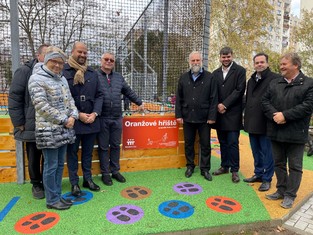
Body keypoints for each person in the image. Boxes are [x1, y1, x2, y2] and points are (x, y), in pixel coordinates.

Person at [28, 46, 78, 210]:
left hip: (63, 129)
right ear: (46, 60)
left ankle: (57, 196)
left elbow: (70, 99)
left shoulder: (62, 78)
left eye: (60, 63)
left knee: (58, 165)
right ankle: (51, 199)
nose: (57, 65)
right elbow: (41, 106)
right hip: (48, 131)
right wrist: (65, 119)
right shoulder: (36, 79)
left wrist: (73, 115)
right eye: (53, 61)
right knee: (50, 165)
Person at [261, 52, 313, 209]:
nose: (281, 66)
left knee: (295, 167)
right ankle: (281, 190)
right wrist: (275, 115)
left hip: (296, 133)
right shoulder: (275, 82)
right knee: (279, 164)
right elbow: (264, 101)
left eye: (284, 64)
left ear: (295, 65)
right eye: (281, 64)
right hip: (276, 131)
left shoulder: (309, 83)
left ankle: (290, 195)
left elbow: (308, 106)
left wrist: (285, 115)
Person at [8, 44, 49, 199]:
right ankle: (36, 184)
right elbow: (14, 98)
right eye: (46, 54)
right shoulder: (24, 71)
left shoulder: (52, 73)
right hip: (31, 124)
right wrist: (19, 122)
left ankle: (46, 182)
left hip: (48, 124)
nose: (49, 58)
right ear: (38, 56)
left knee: (48, 155)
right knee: (33, 155)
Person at [63, 42, 104, 196]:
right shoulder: (64, 71)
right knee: (72, 153)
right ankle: (74, 183)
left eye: (85, 53)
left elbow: (99, 95)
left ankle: (88, 179)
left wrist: (95, 113)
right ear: (72, 52)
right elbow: (64, 98)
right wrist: (77, 114)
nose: (82, 55)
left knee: (87, 153)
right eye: (80, 52)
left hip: (91, 121)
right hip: (73, 121)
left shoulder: (92, 73)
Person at [97, 52, 144, 186]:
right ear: (102, 61)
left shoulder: (118, 77)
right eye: (106, 59)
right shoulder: (95, 76)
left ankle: (115, 171)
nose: (109, 61)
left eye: (111, 60)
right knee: (103, 147)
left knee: (116, 146)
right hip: (102, 118)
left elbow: (128, 91)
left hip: (117, 117)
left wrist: (139, 102)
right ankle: (105, 173)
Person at [175, 51, 218, 181]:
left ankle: (205, 169)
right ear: (189, 62)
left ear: (202, 61)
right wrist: (179, 115)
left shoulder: (210, 77)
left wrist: (212, 116)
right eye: (193, 60)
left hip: (205, 118)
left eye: (197, 60)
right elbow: (179, 98)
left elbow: (214, 98)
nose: (195, 63)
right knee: (189, 143)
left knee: (205, 144)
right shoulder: (183, 78)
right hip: (188, 117)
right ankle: (190, 166)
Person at [243, 53, 280, 191]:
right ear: (254, 64)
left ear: (267, 63)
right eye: (257, 62)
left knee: (267, 153)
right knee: (256, 151)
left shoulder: (275, 79)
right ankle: (258, 173)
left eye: (262, 62)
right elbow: (249, 100)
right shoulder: (251, 80)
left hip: (266, 123)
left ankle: (267, 178)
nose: (259, 64)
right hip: (252, 122)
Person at [212, 47, 246, 183]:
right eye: (223, 57)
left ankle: (235, 170)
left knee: (232, 142)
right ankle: (224, 166)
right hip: (219, 114)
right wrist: (218, 106)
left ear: (232, 56)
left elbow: (239, 90)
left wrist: (224, 104)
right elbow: (213, 92)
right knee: (223, 142)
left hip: (232, 113)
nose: (226, 59)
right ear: (220, 57)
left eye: (228, 57)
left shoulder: (240, 71)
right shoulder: (215, 73)